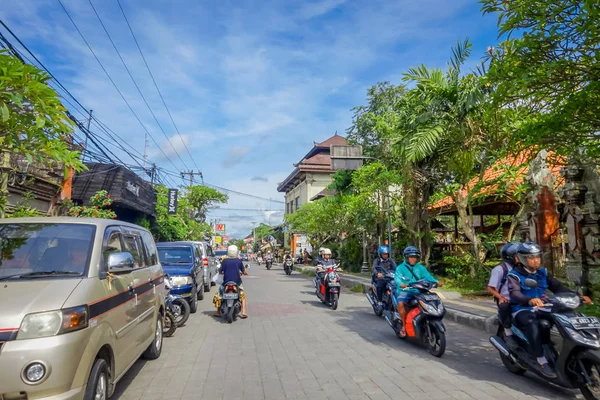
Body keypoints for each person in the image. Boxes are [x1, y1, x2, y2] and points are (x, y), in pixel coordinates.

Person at [508, 242, 592, 379]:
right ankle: (541, 361)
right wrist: (529, 300)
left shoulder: (542, 272)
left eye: (537, 257)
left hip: (543, 307)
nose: (536, 260)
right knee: (533, 323)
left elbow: (557, 287)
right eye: (531, 257)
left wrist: (577, 297)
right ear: (523, 259)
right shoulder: (515, 275)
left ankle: (557, 350)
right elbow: (515, 293)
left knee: (561, 319)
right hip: (522, 308)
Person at [394, 246, 441, 335]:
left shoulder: (420, 268)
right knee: (400, 303)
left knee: (431, 300)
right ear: (406, 257)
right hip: (405, 291)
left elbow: (428, 277)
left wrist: (437, 282)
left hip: (419, 291)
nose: (413, 259)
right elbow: (397, 278)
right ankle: (404, 326)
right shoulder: (400, 268)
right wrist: (401, 284)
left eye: (415, 257)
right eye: (411, 257)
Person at [487, 242, 519, 348]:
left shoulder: (522, 269)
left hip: (521, 299)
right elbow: (491, 288)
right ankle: (508, 332)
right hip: (506, 299)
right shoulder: (500, 270)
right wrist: (500, 296)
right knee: (504, 307)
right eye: (517, 256)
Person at [214, 245, 248, 318]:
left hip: (226, 282)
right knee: (242, 296)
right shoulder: (239, 261)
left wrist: (224, 272)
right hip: (237, 282)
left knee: (219, 295)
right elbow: (244, 271)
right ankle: (244, 311)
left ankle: (218, 311)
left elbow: (220, 272)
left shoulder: (225, 261)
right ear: (236, 252)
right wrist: (245, 273)